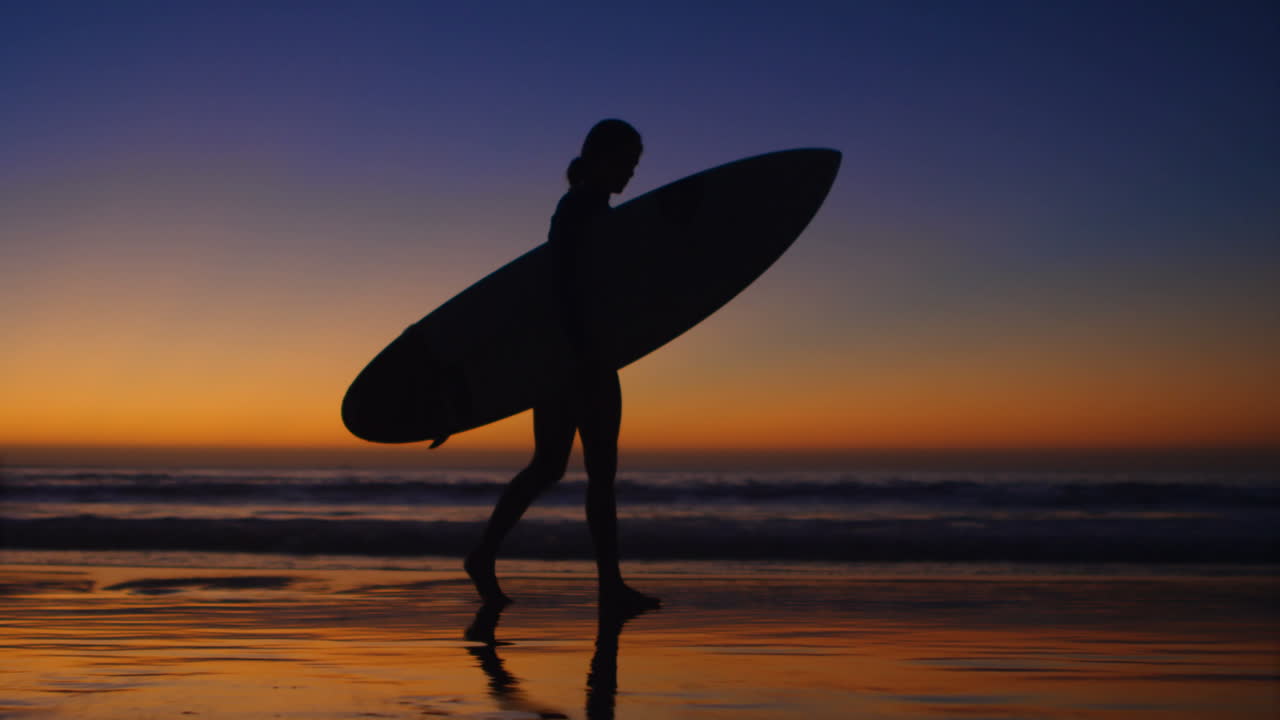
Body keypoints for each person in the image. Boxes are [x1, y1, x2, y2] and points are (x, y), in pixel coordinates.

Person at [465, 119, 659, 610]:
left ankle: (484, 554)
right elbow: (566, 291)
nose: (631, 172)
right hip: (579, 358)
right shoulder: (579, 211)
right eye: (625, 162)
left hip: (566, 358)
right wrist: (586, 355)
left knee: (551, 466)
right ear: (599, 159)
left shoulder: (584, 209)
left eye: (636, 164)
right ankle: (609, 588)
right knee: (594, 471)